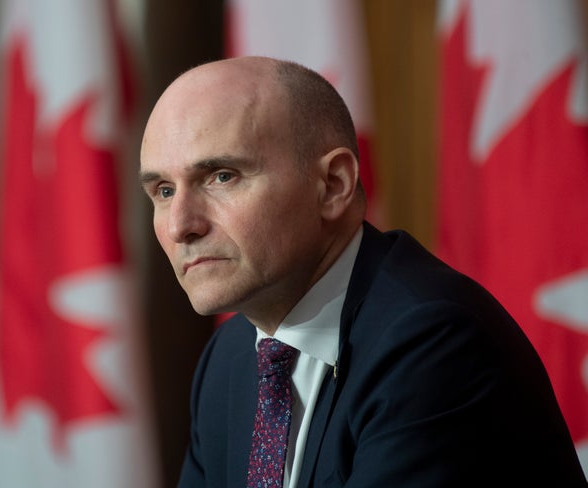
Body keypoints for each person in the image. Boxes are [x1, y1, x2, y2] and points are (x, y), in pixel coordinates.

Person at [139, 56, 587, 487]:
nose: (181, 225)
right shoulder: (230, 358)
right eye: (162, 190)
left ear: (333, 185)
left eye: (221, 176)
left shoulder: (432, 343)